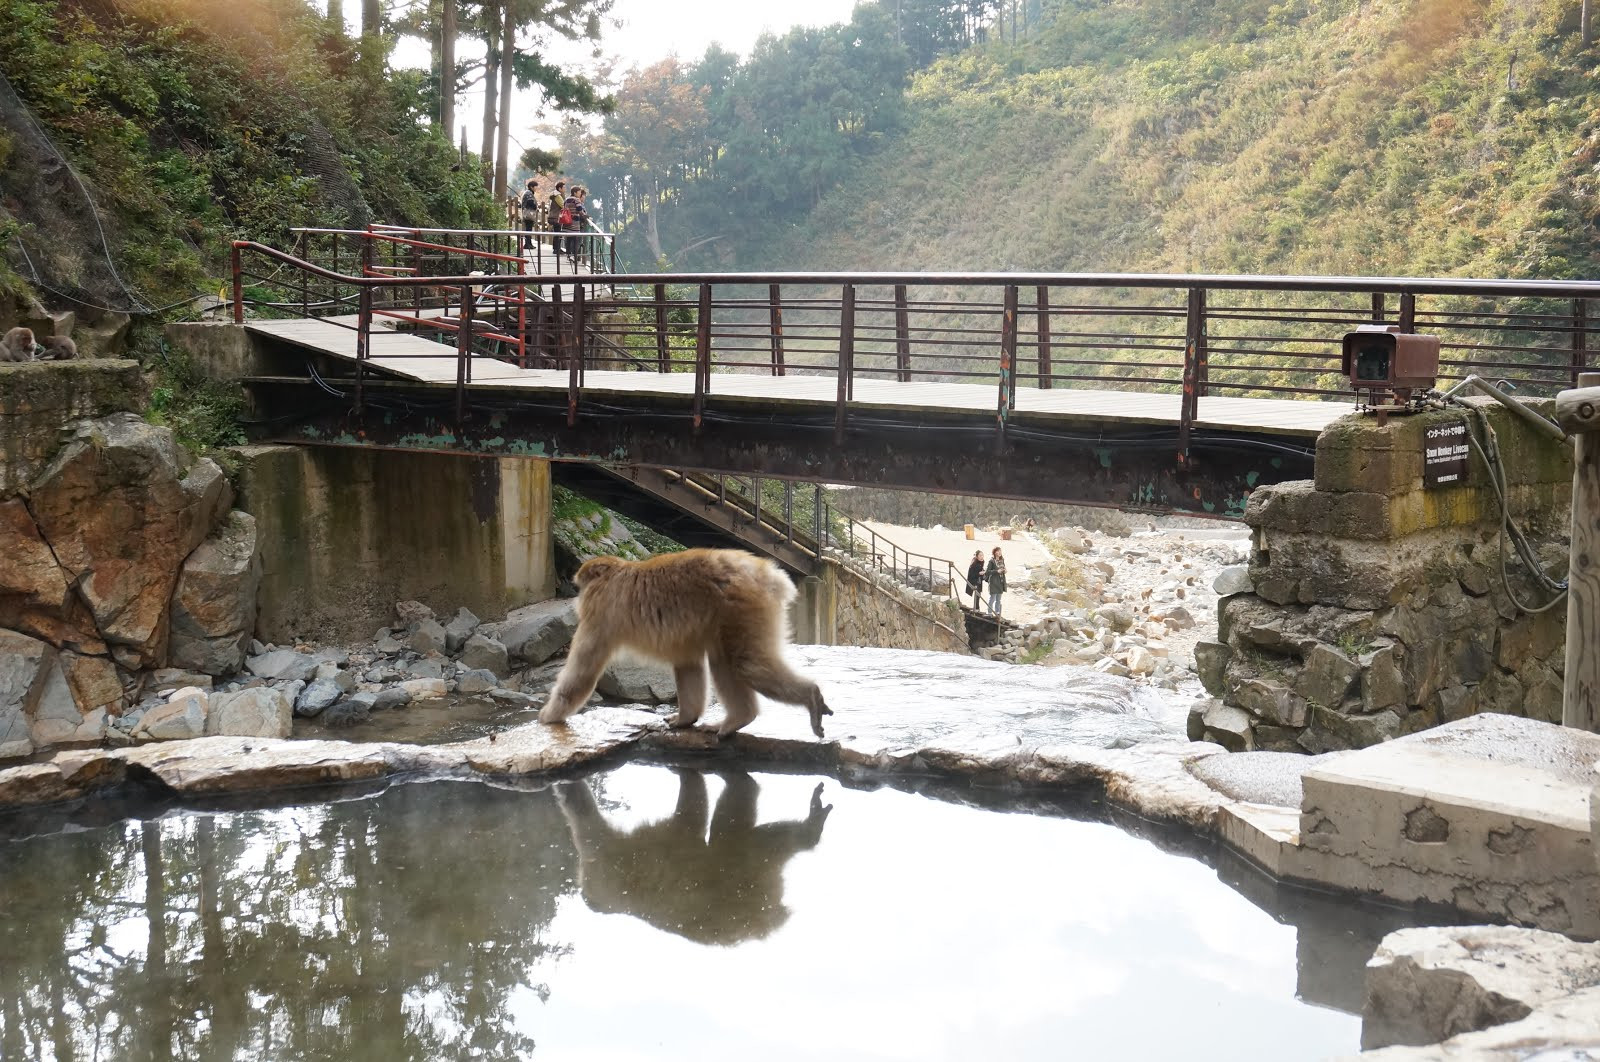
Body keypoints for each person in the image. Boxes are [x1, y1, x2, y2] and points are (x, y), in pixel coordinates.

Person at [518, 178, 541, 252]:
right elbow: (531, 203)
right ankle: (528, 244)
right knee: (528, 229)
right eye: (535, 186)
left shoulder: (527, 192)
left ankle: (529, 243)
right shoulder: (529, 193)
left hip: (526, 213)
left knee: (529, 229)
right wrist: (535, 206)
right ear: (531, 187)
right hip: (528, 214)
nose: (536, 188)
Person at [985, 547, 1007, 616]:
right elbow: (987, 572)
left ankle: (997, 613)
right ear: (994, 552)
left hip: (1001, 582)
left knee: (998, 599)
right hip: (994, 582)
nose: (1000, 552)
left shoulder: (1002, 560)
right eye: (998, 551)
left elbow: (1003, 568)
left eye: (1000, 551)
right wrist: (996, 571)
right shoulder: (991, 561)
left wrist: (1005, 571)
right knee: (992, 598)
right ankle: (989, 612)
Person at [546, 180, 567, 253]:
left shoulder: (555, 195)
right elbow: (563, 205)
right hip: (556, 217)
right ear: (559, 188)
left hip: (553, 216)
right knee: (558, 233)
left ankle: (556, 248)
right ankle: (556, 249)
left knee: (556, 233)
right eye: (564, 187)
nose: (565, 189)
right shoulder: (558, 196)